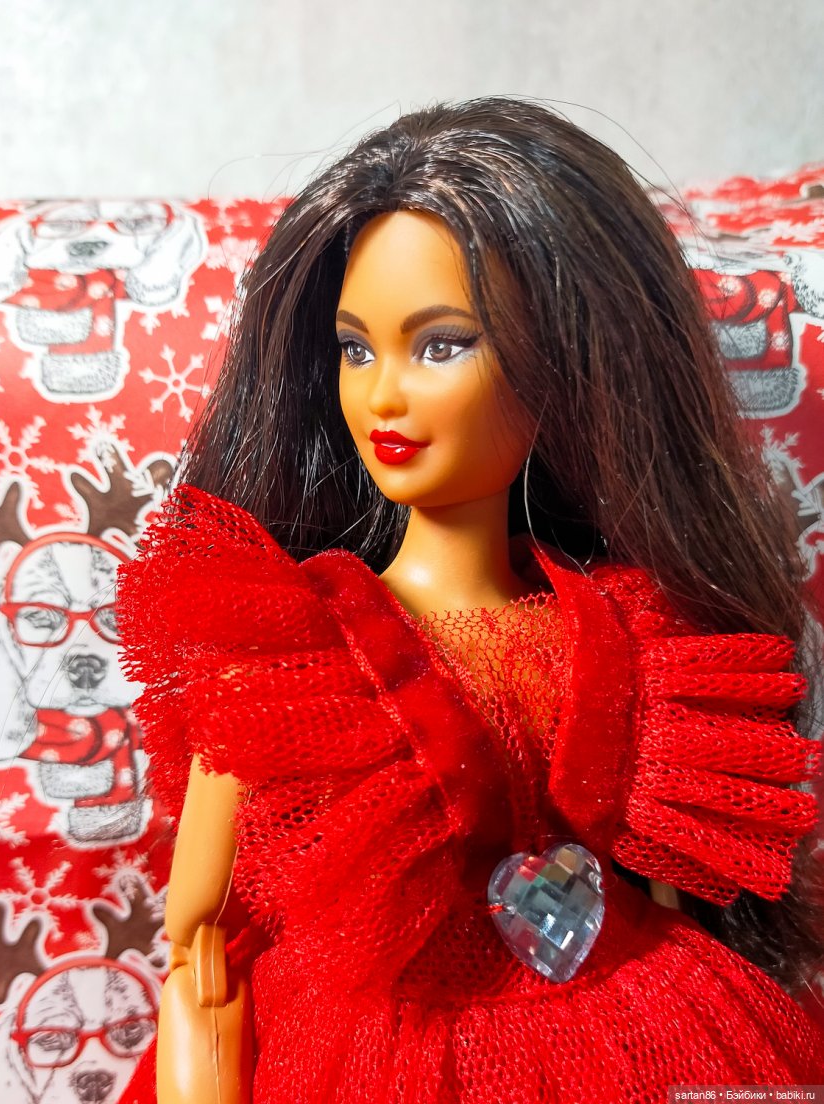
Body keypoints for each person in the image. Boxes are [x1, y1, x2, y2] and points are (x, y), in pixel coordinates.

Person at [115, 98, 824, 1103]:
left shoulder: (639, 633)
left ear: (564, 368)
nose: (382, 396)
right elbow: (200, 944)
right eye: (356, 349)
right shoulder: (291, 650)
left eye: (442, 344)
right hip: (373, 1053)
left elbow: (671, 894)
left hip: (640, 1022)